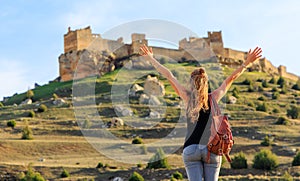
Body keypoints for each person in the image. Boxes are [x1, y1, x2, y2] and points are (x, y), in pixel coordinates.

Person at [140, 44, 262, 181]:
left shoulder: (187, 98)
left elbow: (169, 75)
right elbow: (231, 78)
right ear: (206, 84)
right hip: (211, 149)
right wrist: (247, 63)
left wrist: (151, 58)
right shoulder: (214, 97)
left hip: (191, 149)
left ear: (191, 83)